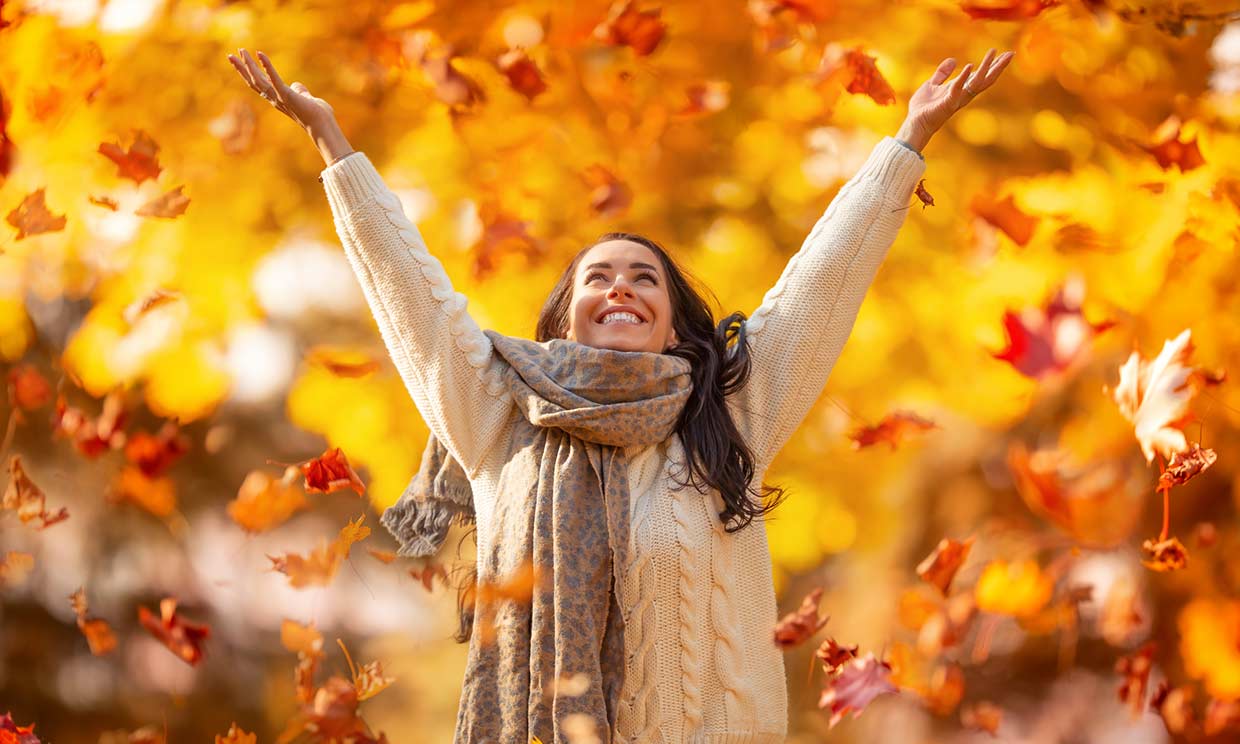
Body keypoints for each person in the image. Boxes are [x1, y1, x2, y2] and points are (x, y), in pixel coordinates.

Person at [228, 44, 1013, 744]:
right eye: (597, 277)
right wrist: (334, 144)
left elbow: (818, 289)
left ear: (673, 327)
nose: (621, 288)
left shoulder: (729, 419)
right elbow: (415, 298)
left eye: (645, 280)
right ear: (566, 319)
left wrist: (906, 143)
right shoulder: (501, 419)